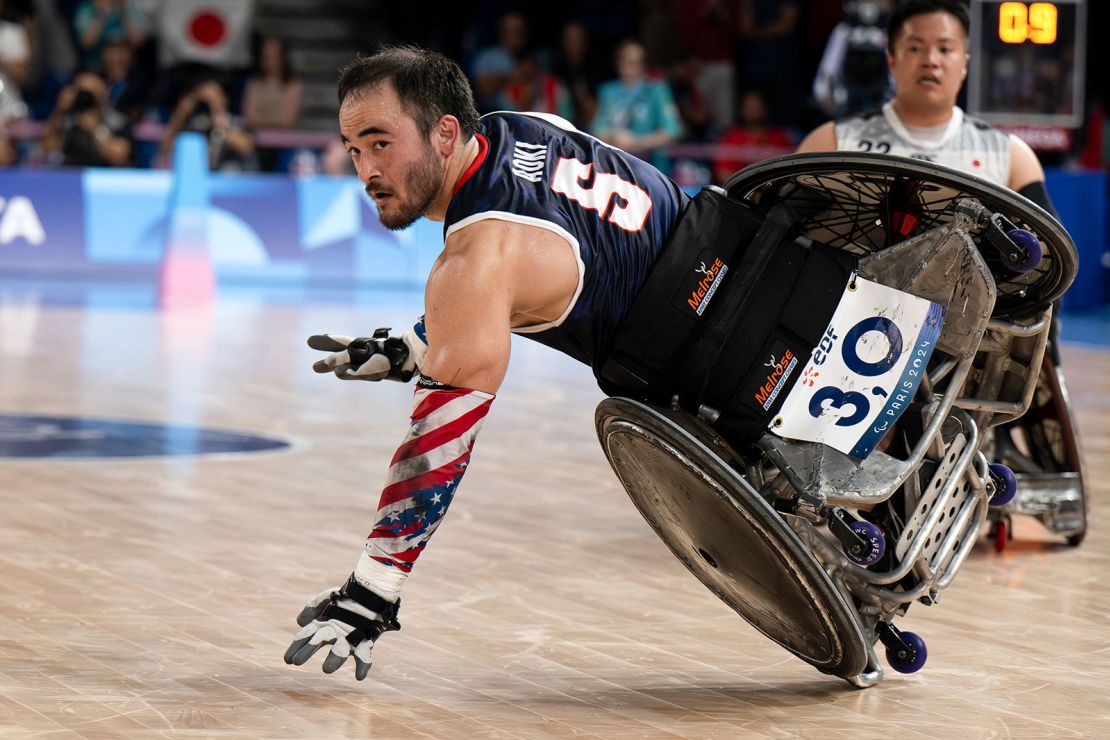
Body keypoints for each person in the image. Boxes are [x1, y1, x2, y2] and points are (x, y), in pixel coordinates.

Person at [282, 45, 691, 681]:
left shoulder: (471, 262)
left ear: (445, 131)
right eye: (354, 148)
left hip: (702, 372)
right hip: (729, 258)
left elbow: (438, 441)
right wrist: (411, 346)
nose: (365, 169)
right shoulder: (523, 128)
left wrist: (374, 586)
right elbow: (547, 256)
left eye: (380, 143)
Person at [796, 0, 1079, 534]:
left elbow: (1050, 267)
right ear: (892, 61)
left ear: (965, 63)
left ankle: (1003, 447)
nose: (931, 59)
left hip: (971, 340)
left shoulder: (1009, 154)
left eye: (945, 49)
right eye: (916, 47)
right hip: (860, 326)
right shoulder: (835, 141)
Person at [590, 38, 682, 169]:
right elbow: (598, 128)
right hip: (614, 166)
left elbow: (672, 130)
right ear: (618, 62)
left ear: (644, 63)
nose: (630, 65)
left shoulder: (656, 90)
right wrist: (614, 137)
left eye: (636, 61)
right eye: (626, 60)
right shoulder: (608, 91)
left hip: (651, 167)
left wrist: (638, 142)